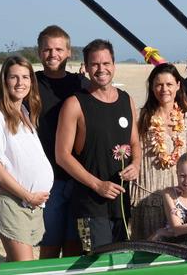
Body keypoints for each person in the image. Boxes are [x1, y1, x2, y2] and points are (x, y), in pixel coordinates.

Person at [55, 39, 140, 252]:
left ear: (114, 65)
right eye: (95, 64)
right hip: (90, 206)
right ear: (86, 67)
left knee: (121, 263)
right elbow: (62, 155)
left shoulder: (126, 100)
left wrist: (137, 163)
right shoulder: (74, 104)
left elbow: (135, 142)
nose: (101, 69)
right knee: (97, 264)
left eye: (106, 63)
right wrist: (97, 185)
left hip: (121, 202)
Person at [0, 56, 54, 261]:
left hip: (30, 205)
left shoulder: (24, 112)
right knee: (25, 267)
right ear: (5, 81)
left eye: (25, 77)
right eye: (14, 77)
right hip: (13, 202)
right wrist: (27, 196)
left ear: (32, 81)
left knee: (16, 266)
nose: (20, 83)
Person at [130, 63, 187, 240]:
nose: (164, 89)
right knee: (147, 255)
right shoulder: (140, 117)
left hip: (182, 202)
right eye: (159, 84)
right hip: (147, 200)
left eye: (169, 84)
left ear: (178, 85)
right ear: (152, 87)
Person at [36, 25, 88, 258]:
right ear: (39, 52)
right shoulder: (30, 83)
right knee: (49, 244)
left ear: (69, 52)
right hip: (47, 179)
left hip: (78, 177)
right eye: (47, 49)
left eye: (58, 49)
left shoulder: (81, 84)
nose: (53, 54)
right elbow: (5, 108)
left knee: (74, 245)